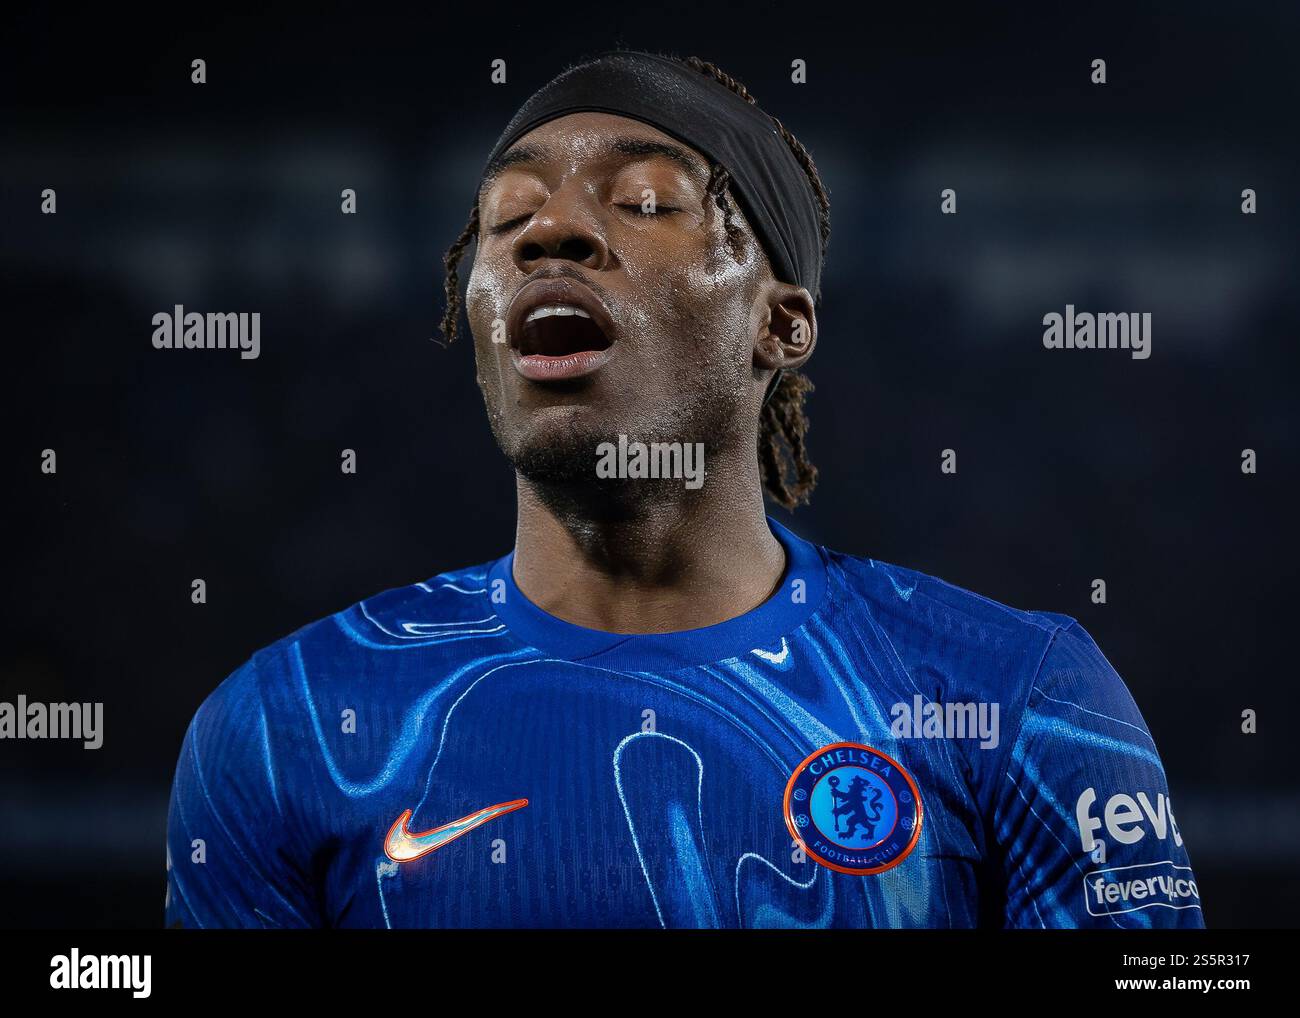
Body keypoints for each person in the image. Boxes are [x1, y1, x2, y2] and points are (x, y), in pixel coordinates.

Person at [165, 51, 1203, 928]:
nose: (546, 233)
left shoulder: (1019, 695)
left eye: (645, 200)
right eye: (505, 214)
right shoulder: (284, 722)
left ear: (779, 324)